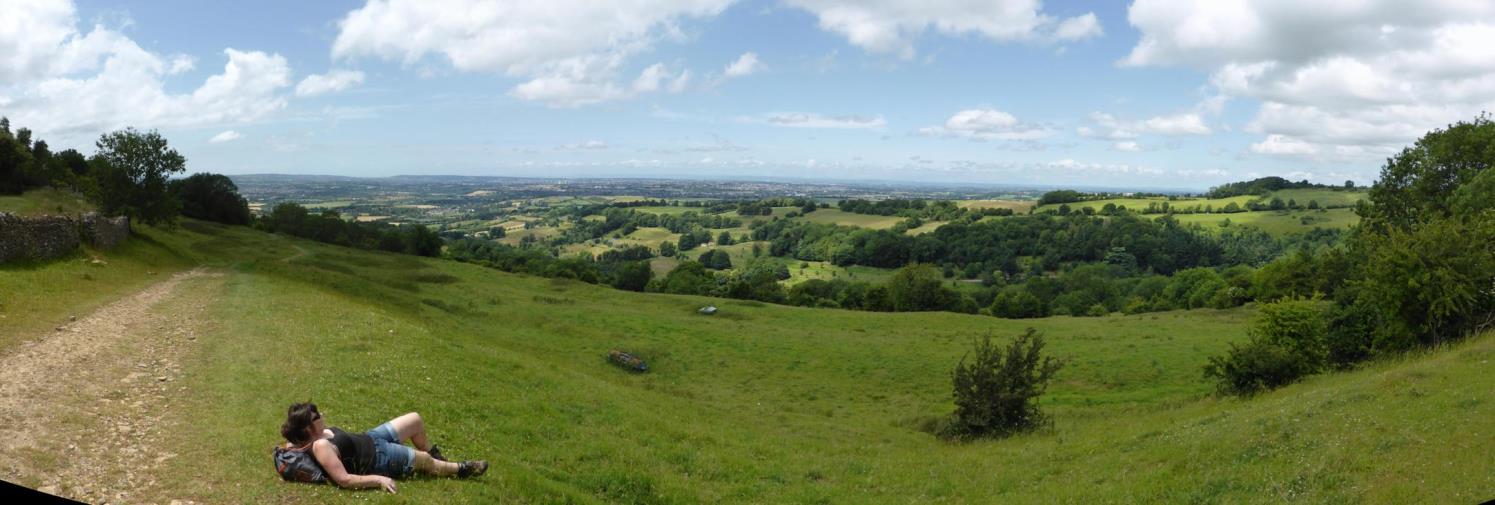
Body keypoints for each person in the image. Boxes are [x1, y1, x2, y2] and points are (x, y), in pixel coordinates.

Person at [279, 402, 486, 493]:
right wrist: (379, 479)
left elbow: (291, 443)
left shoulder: (315, 436)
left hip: (373, 437)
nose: (321, 414)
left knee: (415, 419)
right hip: (380, 459)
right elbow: (344, 479)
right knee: (424, 460)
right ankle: (461, 469)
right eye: (317, 415)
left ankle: (439, 458)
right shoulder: (320, 446)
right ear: (308, 427)